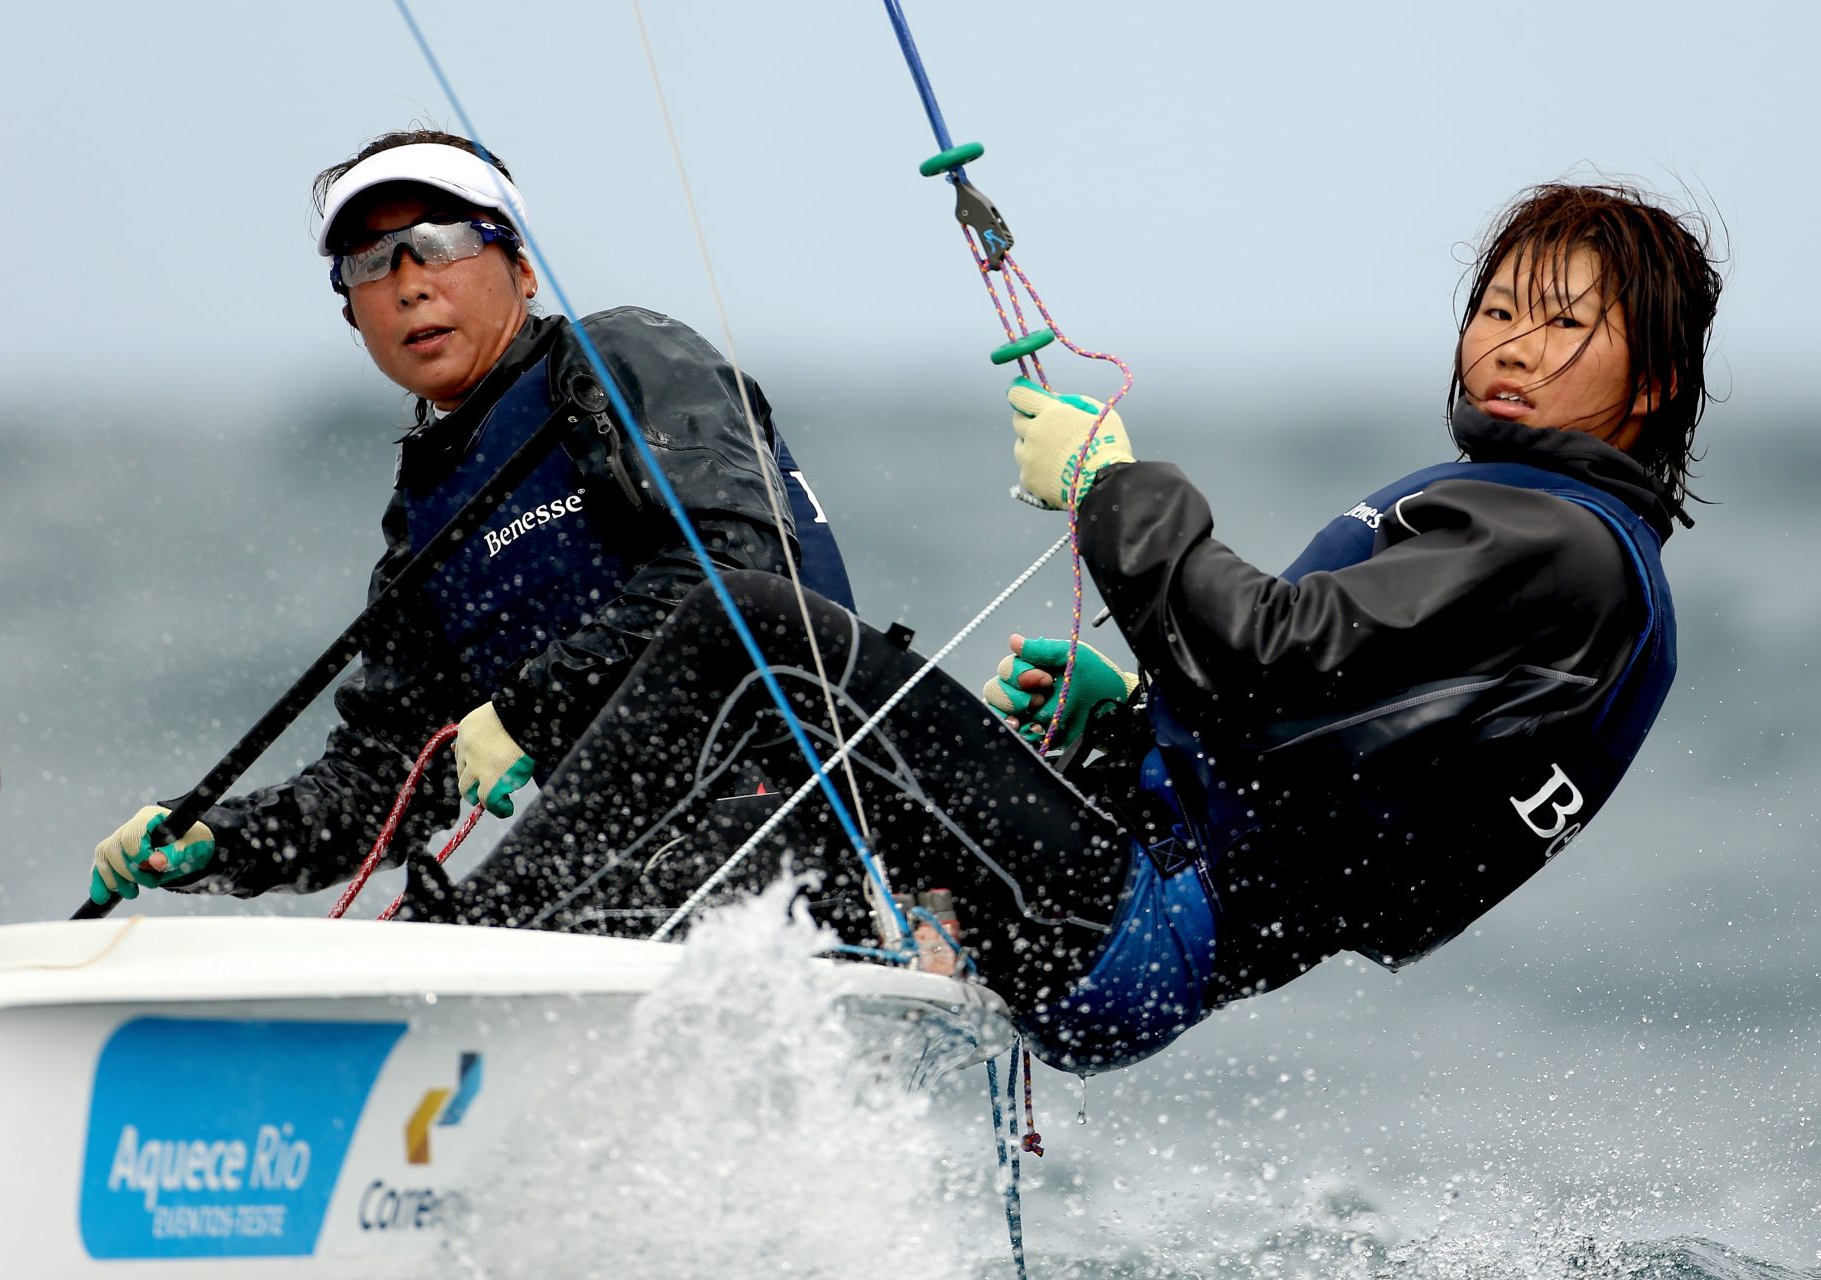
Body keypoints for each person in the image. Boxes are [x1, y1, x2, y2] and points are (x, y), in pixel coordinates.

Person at [397, 180, 1720, 1077]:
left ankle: (458, 982)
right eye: (1498, 307)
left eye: (1565, 322)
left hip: (1129, 920)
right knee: (783, 749)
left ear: (1650, 381)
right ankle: (605, 994)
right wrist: (1128, 714)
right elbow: (1340, 753)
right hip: (1133, 915)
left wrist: (1110, 485)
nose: (1514, 343)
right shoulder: (1577, 562)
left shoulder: (1553, 543)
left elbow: (1265, 660)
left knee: (759, 637)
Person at [87, 130, 853, 906]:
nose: (409, 284)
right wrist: (222, 838)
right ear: (353, 313)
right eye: (370, 262)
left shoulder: (620, 358)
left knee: (487, 910)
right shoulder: (425, 513)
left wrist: (527, 709)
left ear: (521, 268)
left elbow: (739, 569)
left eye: (441, 242)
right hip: (637, 866)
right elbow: (388, 777)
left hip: (823, 810)